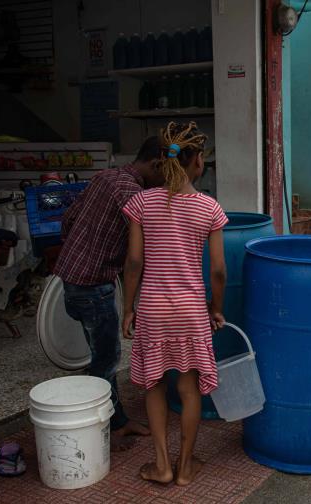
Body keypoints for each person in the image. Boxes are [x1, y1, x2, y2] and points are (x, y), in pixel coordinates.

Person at [121, 122, 228, 486]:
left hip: (152, 306)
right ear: (197, 161)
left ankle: (162, 465)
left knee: (153, 385)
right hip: (190, 309)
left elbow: (134, 262)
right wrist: (216, 308)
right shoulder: (209, 209)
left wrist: (128, 307)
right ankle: (185, 468)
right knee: (188, 386)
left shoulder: (140, 203)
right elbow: (218, 271)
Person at [54, 138, 164, 450]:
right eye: (164, 174)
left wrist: (84, 248)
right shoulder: (134, 195)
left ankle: (101, 412)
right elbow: (140, 255)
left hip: (71, 279)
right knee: (106, 358)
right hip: (93, 285)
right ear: (156, 164)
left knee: (98, 352)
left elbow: (68, 219)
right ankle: (111, 425)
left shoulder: (105, 176)